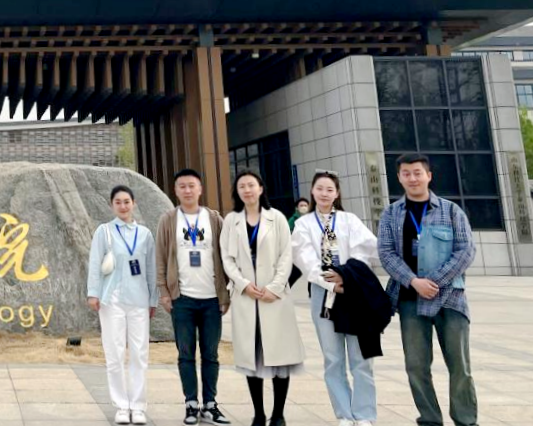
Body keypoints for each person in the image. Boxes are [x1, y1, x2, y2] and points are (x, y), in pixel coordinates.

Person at [378, 153, 478, 426]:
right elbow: (386, 253)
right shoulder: (390, 214)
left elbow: (466, 251)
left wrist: (433, 282)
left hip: (450, 299)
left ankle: (466, 420)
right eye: (406, 173)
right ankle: (430, 420)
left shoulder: (451, 211)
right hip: (410, 300)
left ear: (428, 176)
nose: (412, 178)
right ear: (399, 177)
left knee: (460, 366)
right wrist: (414, 282)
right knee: (416, 366)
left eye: (417, 173)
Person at [291, 171, 379, 426]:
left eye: (330, 189)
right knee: (333, 358)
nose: (324, 193)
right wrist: (329, 281)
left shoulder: (349, 220)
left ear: (337, 193)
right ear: (312, 191)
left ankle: (364, 414)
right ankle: (344, 413)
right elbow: (305, 258)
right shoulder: (304, 224)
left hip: (353, 290)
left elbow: (366, 249)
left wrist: (347, 277)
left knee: (361, 357)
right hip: (323, 293)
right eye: (320, 188)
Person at [221, 169, 305, 426]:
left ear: (260, 188)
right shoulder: (231, 220)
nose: (247, 190)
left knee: (280, 356)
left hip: (274, 298)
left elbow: (286, 256)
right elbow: (227, 258)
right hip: (247, 298)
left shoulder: (276, 218)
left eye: (251, 185)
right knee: (252, 357)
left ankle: (278, 414)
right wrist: (243, 284)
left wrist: (275, 287)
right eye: (242, 186)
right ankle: (258, 413)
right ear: (237, 192)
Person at [156, 169, 232, 425]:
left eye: (192, 185)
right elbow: (160, 257)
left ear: (200, 189)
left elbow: (226, 257)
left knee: (211, 354)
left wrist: (225, 294)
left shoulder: (214, 219)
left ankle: (210, 405)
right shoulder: (168, 220)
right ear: (175, 190)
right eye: (182, 186)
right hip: (182, 299)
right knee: (185, 354)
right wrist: (164, 292)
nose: (187, 190)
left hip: (212, 299)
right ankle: (191, 404)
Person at [87, 185, 158, 425]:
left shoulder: (145, 234)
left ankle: (138, 406)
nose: (123, 206)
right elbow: (95, 263)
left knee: (139, 353)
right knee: (114, 353)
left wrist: (153, 299)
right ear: (112, 205)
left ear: (134, 203)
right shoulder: (104, 231)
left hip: (139, 300)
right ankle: (121, 405)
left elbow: (151, 268)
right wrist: (93, 293)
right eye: (118, 202)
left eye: (127, 201)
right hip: (112, 300)